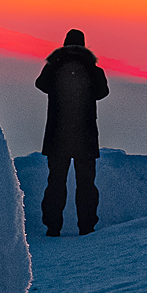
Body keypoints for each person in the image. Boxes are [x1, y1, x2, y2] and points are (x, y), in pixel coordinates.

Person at [35, 28, 110, 237]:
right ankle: (86, 226)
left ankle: (52, 227)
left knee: (56, 182)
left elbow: (40, 84)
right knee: (86, 184)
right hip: (85, 137)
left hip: (57, 136)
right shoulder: (92, 69)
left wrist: (55, 64)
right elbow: (102, 92)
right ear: (84, 45)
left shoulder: (55, 67)